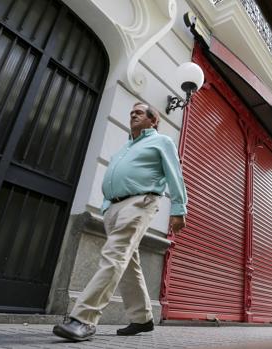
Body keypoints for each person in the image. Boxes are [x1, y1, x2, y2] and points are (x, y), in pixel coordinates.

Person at [53, 102, 187, 341]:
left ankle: (83, 318)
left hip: (140, 202)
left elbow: (174, 174)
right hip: (113, 207)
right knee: (128, 261)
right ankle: (142, 318)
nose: (133, 114)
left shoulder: (161, 141)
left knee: (114, 255)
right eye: (131, 111)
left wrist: (178, 208)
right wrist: (106, 207)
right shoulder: (126, 146)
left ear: (153, 120)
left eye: (139, 112)